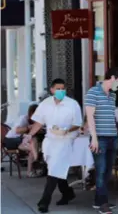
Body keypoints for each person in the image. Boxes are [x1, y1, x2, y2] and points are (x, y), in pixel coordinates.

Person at [26, 78, 83, 213]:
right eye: (58, 89)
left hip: (66, 140)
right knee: (55, 168)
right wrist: (29, 134)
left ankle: (44, 202)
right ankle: (68, 192)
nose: (61, 91)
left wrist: (67, 130)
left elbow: (78, 124)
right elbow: (38, 123)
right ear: (52, 90)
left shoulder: (72, 104)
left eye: (63, 89)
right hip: (50, 141)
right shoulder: (45, 104)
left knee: (54, 170)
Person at [85, 67, 118, 214]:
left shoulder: (112, 96)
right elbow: (90, 117)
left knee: (107, 171)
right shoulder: (93, 92)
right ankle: (103, 204)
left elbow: (111, 117)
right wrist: (94, 138)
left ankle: (99, 200)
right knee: (100, 170)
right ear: (112, 78)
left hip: (112, 137)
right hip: (99, 138)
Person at [4, 104, 39, 177]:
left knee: (33, 146)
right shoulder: (23, 118)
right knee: (33, 143)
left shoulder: (35, 121)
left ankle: (30, 172)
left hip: (20, 141)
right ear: (31, 113)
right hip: (11, 140)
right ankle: (36, 159)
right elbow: (17, 130)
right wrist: (29, 127)